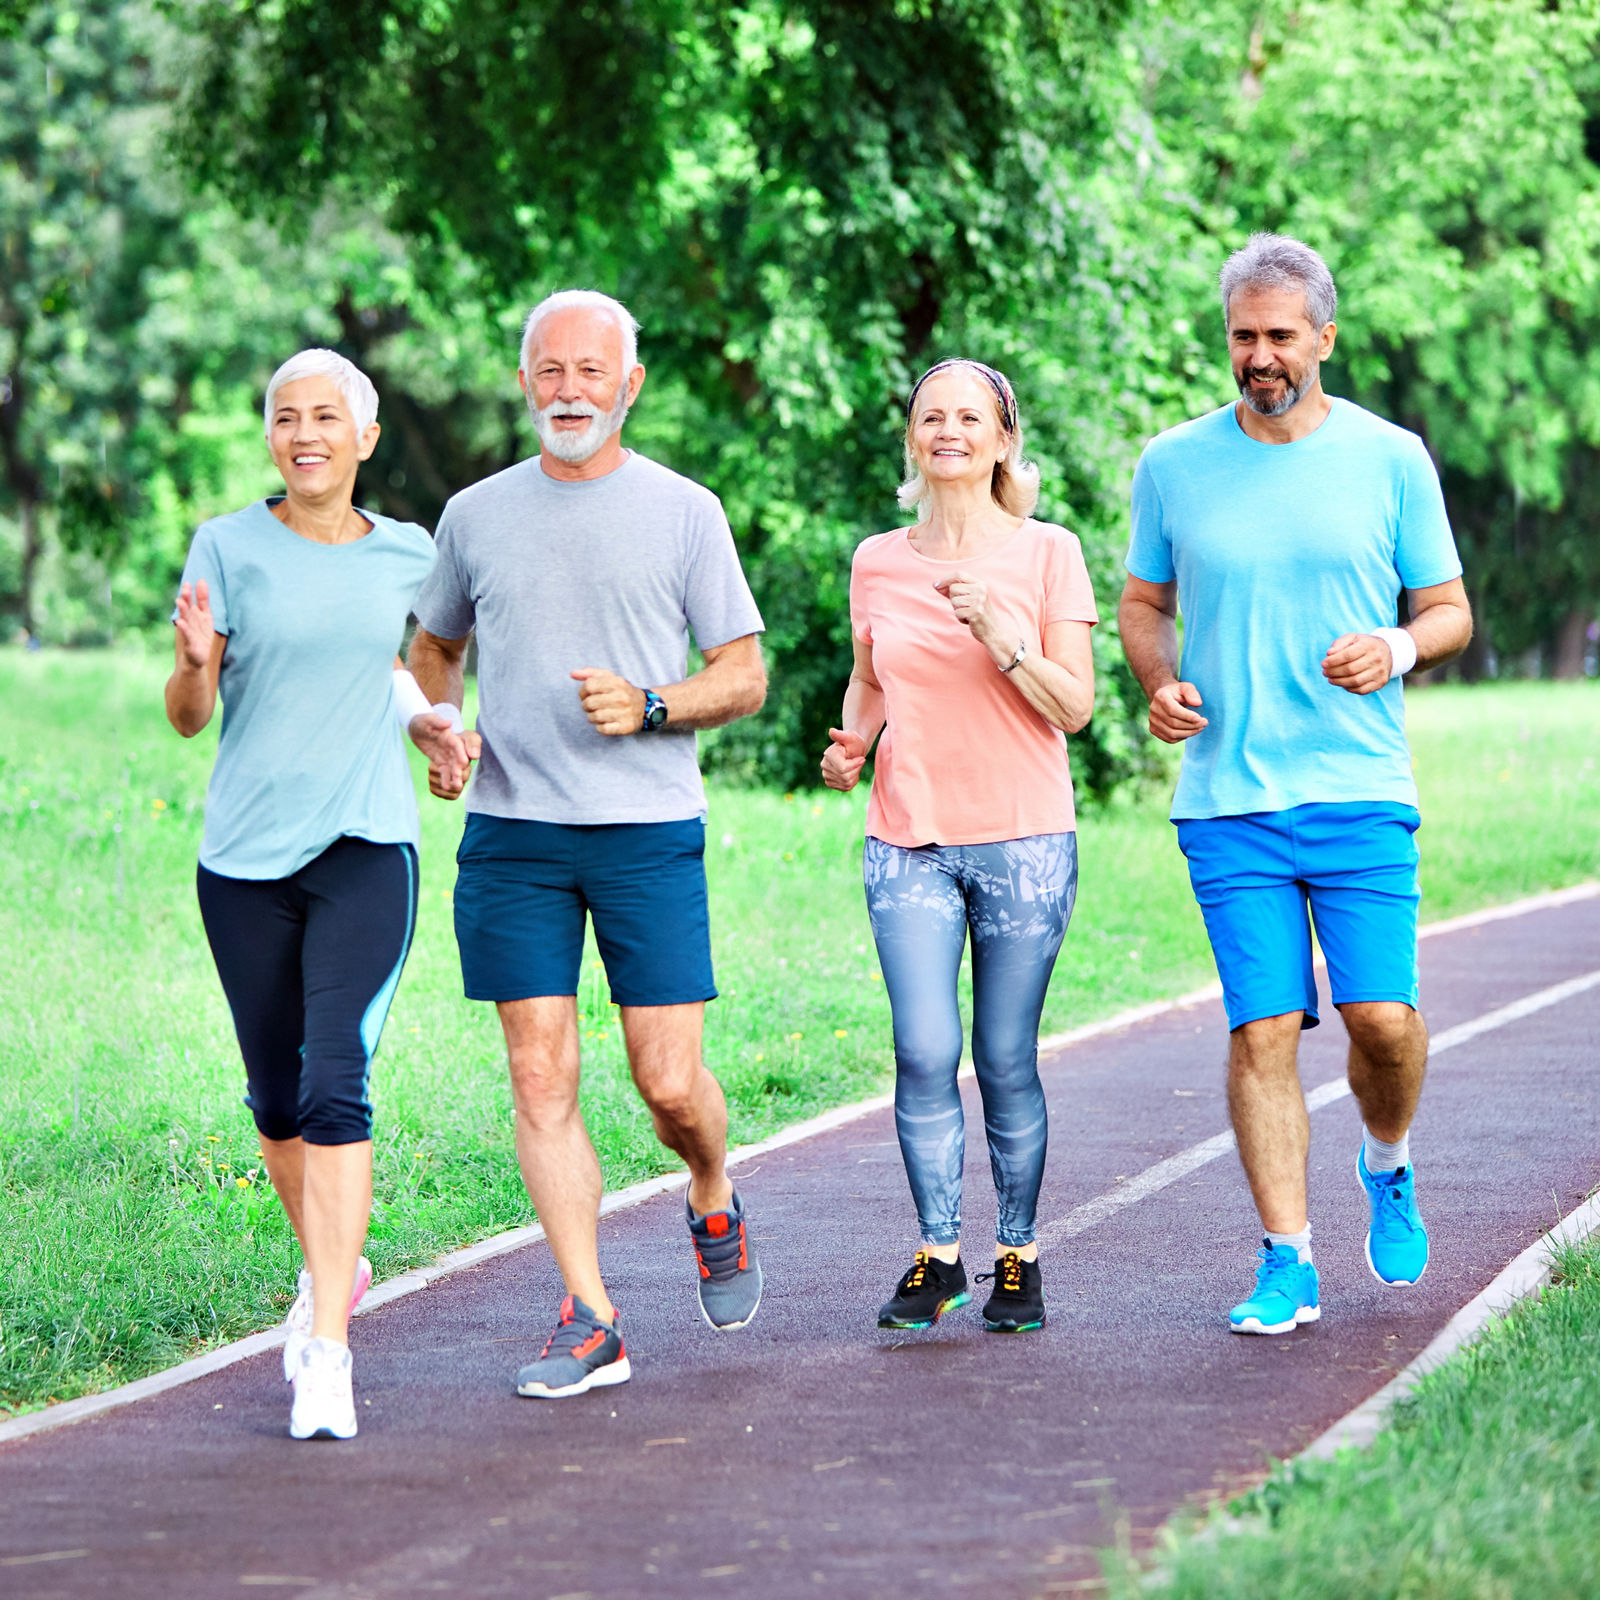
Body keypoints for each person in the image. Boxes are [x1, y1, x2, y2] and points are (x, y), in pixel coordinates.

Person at [407, 289, 768, 1399]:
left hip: (646, 832)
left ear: (630, 384)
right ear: (524, 381)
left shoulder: (684, 512)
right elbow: (432, 650)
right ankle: (591, 1312)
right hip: (513, 832)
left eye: (590, 370)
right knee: (540, 1073)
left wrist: (655, 705)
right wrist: (441, 727)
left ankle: (710, 1185)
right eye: (549, 370)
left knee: (667, 1083)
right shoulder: (473, 515)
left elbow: (744, 675)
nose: (569, 389)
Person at [1118, 235, 1473, 1336]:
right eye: (1242, 336)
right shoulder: (1173, 463)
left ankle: (1389, 1159)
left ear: (1323, 335)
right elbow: (1142, 605)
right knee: (1261, 1031)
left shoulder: (1390, 456)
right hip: (1228, 798)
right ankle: (1287, 1258)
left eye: (1279, 336)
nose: (1259, 355)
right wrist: (1161, 681)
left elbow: (1449, 610)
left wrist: (1397, 649)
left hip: (1359, 785)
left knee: (1382, 1019)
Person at [165, 349, 469, 1438]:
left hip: (364, 847)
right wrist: (198, 661)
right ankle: (331, 1259)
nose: (307, 433)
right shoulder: (227, 546)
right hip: (243, 858)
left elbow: (422, 662)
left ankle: (328, 1348)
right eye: (287, 417)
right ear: (269, 439)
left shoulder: (409, 554)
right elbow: (190, 713)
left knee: (336, 1079)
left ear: (364, 436)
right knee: (277, 1102)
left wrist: (437, 724)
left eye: (327, 416)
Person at [821, 358, 1098, 1334]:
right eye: (931, 416)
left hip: (1023, 838)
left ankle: (1015, 1256)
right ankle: (937, 1255)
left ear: (1001, 439)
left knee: (1003, 1054)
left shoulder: (1046, 553)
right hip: (908, 839)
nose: (948, 429)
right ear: (912, 439)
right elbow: (869, 677)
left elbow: (1076, 708)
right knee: (922, 1048)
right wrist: (853, 739)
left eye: (968, 417)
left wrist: (1001, 635)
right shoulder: (876, 559)